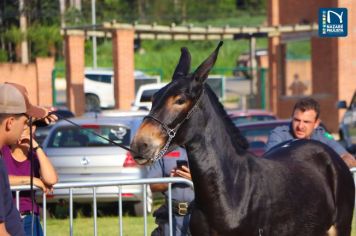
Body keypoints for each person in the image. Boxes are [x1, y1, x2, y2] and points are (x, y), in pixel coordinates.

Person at [0, 82, 56, 235]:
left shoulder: (32, 154)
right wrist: (33, 180)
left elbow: (51, 179)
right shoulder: (3, 153)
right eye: (26, 122)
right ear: (10, 122)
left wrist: (36, 146)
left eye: (32, 124)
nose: (27, 128)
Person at [266, 97, 356, 168]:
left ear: (316, 123)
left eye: (306, 122)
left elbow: (349, 159)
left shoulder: (321, 136)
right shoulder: (279, 135)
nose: (300, 126)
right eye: (297, 120)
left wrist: (335, 164)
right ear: (292, 118)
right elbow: (271, 161)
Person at [148, 147, 194, 236]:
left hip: (198, 216)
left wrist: (193, 179)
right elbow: (153, 186)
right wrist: (171, 180)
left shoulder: (205, 147)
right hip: (170, 217)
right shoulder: (163, 151)